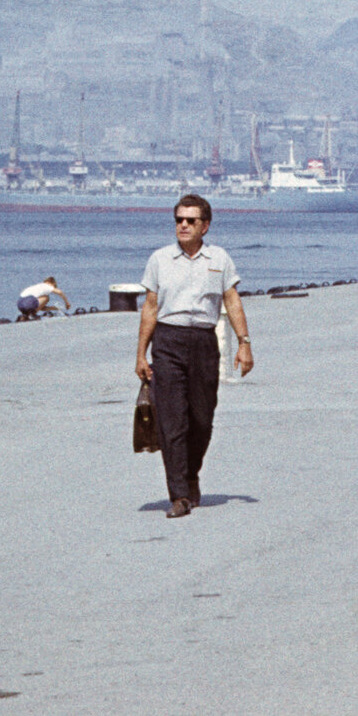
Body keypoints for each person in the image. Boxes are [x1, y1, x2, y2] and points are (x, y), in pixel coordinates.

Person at [136, 195, 252, 519]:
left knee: (202, 419)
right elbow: (150, 308)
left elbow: (232, 300)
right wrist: (141, 354)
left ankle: (190, 475)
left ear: (205, 226)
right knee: (172, 421)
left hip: (203, 342)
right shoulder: (159, 259)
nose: (183, 225)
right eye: (179, 220)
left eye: (190, 220)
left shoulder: (220, 258)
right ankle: (179, 496)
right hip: (167, 341)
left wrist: (244, 343)